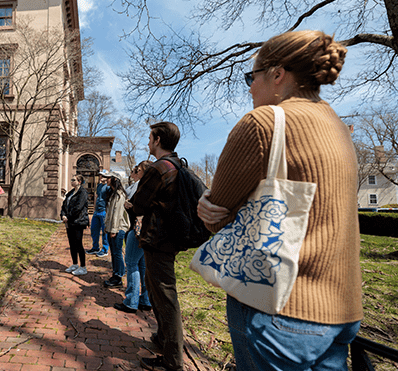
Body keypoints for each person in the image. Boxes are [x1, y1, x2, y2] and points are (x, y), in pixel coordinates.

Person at [197, 30, 363, 370]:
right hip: (343, 310)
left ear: (276, 74)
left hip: (280, 308)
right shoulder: (338, 126)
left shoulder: (264, 122)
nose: (249, 87)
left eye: (251, 76)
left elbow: (216, 216)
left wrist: (208, 206)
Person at [130, 121, 185, 371]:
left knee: (165, 298)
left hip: (157, 239)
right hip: (168, 239)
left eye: (150, 138)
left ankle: (172, 361)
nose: (148, 142)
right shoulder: (178, 164)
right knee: (158, 294)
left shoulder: (158, 168)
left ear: (158, 140)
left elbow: (138, 203)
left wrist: (133, 204)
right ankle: (162, 339)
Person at [114, 160, 153, 313]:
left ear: (145, 172)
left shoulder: (143, 187)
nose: (136, 171)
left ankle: (131, 301)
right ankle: (145, 300)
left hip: (137, 231)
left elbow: (142, 209)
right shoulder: (151, 187)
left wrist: (131, 206)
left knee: (131, 263)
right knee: (142, 265)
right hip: (146, 231)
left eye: (139, 169)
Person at [103, 172, 129, 287]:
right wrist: (106, 227)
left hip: (118, 229)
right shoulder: (112, 194)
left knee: (117, 253)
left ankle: (119, 276)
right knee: (113, 253)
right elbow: (109, 214)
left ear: (114, 179)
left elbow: (117, 214)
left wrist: (113, 230)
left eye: (108, 178)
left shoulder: (120, 195)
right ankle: (115, 274)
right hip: (112, 228)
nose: (106, 180)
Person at [61, 174, 90, 276]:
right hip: (69, 222)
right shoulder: (70, 193)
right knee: (72, 244)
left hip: (78, 221)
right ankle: (74, 264)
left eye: (73, 180)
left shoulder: (83, 193)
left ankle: (83, 267)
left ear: (79, 182)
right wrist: (63, 215)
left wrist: (68, 216)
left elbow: (78, 208)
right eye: (71, 180)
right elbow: (64, 205)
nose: (71, 181)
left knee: (78, 244)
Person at [87, 171, 110, 257]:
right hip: (97, 211)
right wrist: (93, 209)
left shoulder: (108, 187)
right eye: (100, 175)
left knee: (105, 231)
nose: (101, 177)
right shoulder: (99, 186)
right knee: (94, 230)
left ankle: (105, 249)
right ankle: (95, 247)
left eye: (103, 175)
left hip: (104, 211)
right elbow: (96, 197)